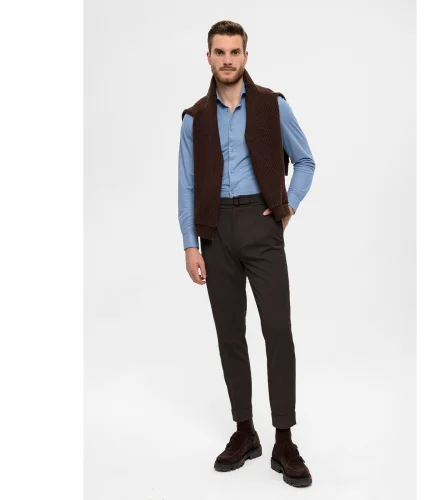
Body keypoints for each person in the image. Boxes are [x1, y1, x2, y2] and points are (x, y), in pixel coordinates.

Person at [177, 20, 316, 488]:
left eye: (234, 51)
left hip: (261, 224)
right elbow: (186, 185)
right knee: (230, 335)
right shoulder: (195, 118)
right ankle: (245, 432)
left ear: (246, 56)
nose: (227, 59)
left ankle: (284, 439)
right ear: (209, 57)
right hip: (215, 231)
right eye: (219, 52)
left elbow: (306, 160)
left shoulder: (272, 105)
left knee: (278, 331)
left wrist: (287, 206)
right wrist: (190, 244)